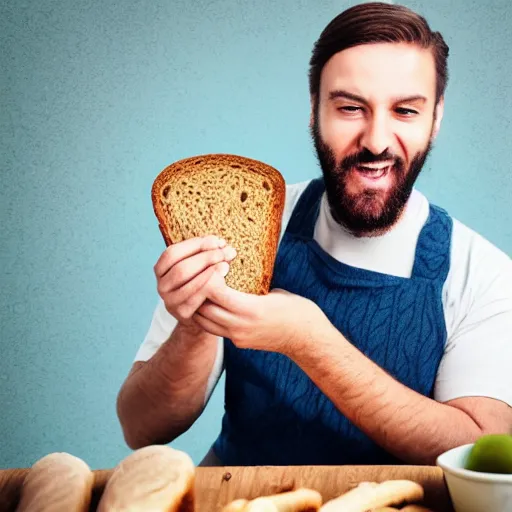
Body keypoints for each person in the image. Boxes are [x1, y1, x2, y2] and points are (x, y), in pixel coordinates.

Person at [116, 2, 512, 466]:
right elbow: (141, 428)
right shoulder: (253, 226)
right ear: (314, 110)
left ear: (436, 118)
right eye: (350, 108)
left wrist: (308, 341)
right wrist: (193, 323)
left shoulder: (481, 274)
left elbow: (477, 452)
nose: (377, 141)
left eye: (405, 111)